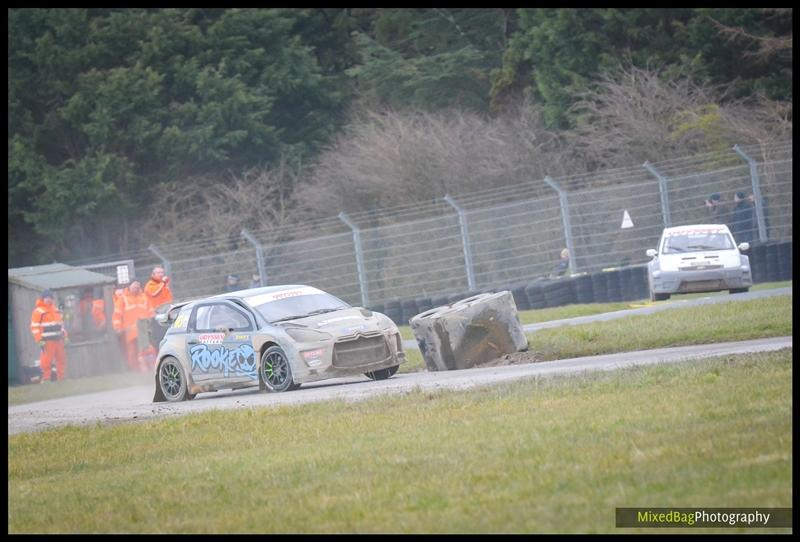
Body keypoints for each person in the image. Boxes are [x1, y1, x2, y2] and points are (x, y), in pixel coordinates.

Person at [29, 289, 68, 382]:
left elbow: (61, 325)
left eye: (50, 297)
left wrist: (65, 336)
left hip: (58, 339)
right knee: (46, 361)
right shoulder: (38, 311)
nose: (48, 299)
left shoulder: (55, 310)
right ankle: (46, 379)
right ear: (42, 298)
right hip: (46, 341)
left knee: (61, 359)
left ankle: (61, 379)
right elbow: (34, 327)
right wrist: (39, 340)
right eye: (46, 297)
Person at [112, 281, 151, 372]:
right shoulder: (122, 299)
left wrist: (150, 326)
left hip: (144, 330)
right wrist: (118, 328)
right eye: (134, 287)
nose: (136, 289)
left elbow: (150, 312)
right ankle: (135, 370)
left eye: (138, 287)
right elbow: (117, 315)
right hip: (130, 331)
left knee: (146, 350)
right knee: (132, 352)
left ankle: (147, 370)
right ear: (129, 287)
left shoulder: (144, 297)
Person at [144, 266, 173, 354]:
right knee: (158, 338)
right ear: (153, 275)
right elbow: (154, 293)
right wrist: (162, 283)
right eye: (158, 273)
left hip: (166, 314)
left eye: (162, 272)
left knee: (167, 335)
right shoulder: (150, 285)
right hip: (156, 316)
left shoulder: (163, 285)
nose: (161, 274)